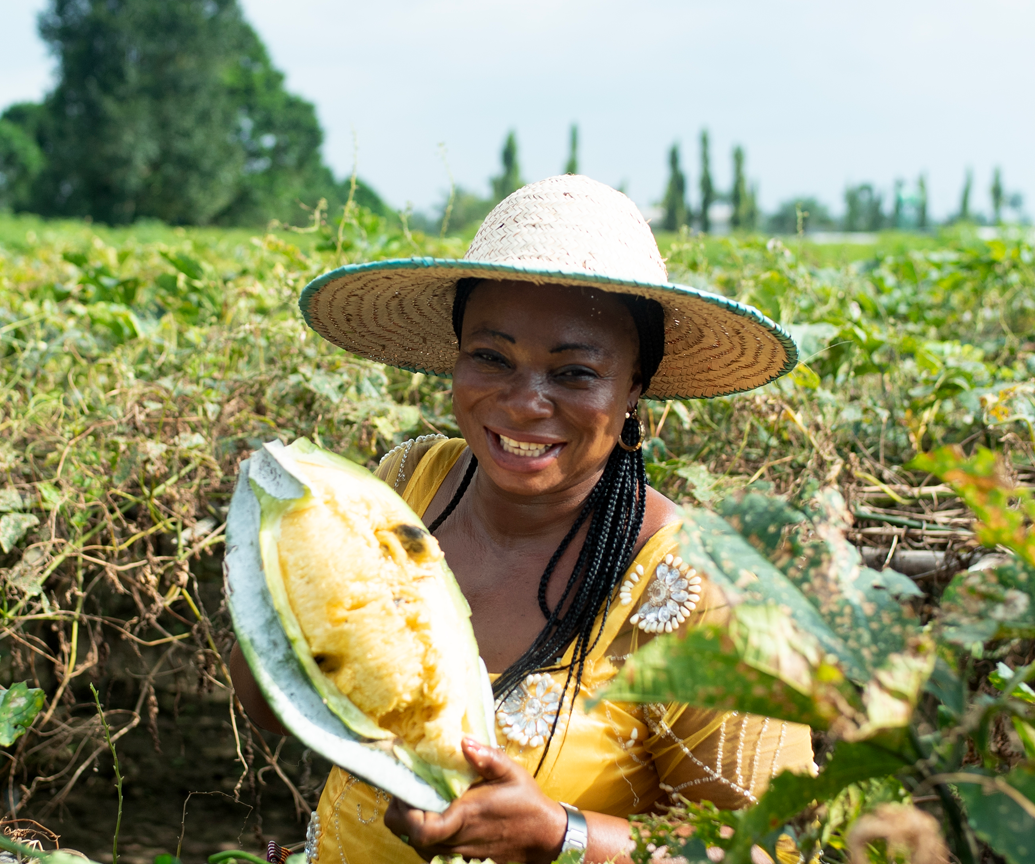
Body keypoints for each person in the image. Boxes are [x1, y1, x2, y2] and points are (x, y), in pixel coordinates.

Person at [231, 174, 814, 864]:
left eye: (573, 373)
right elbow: (271, 704)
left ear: (635, 387)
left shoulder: (710, 595)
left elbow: (772, 846)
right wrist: (271, 564)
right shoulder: (403, 489)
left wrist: (560, 836)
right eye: (490, 358)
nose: (523, 401)